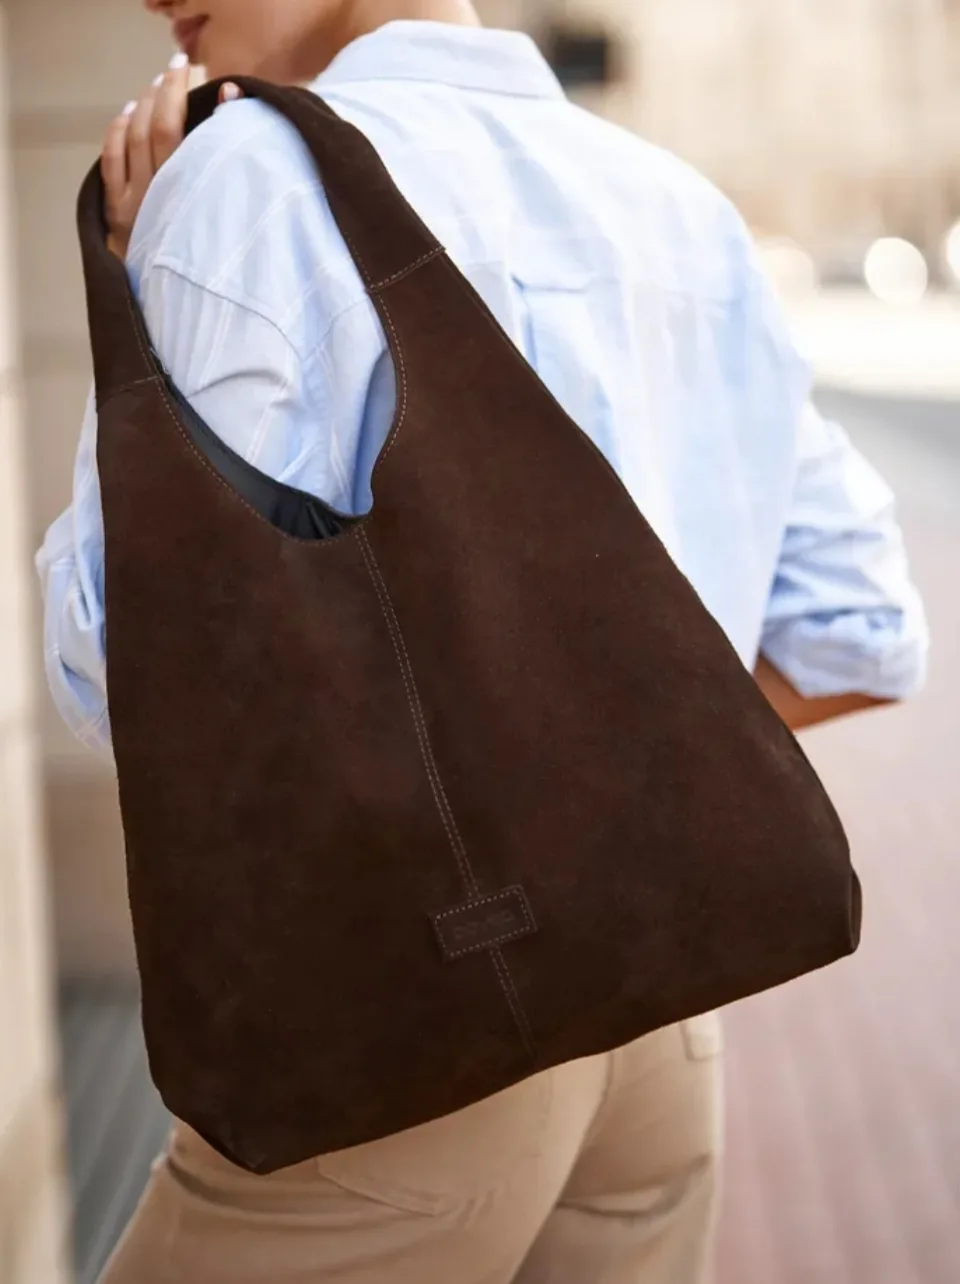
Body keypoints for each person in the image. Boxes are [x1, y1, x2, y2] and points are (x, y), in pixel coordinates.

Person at [38, 2, 928, 1281]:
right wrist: (591, 769)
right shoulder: (671, 203)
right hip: (660, 1020)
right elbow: (862, 628)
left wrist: (137, 284)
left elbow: (120, 677)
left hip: (404, 1037)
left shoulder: (246, 179)